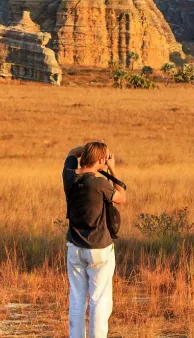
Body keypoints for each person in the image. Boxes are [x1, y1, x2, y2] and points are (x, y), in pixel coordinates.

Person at [62, 142, 126, 338]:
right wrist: (112, 168)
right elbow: (122, 197)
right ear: (101, 160)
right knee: (99, 299)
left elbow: (72, 152)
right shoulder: (100, 183)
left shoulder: (69, 176)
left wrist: (90, 150)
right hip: (99, 247)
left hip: (74, 246)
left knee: (77, 298)